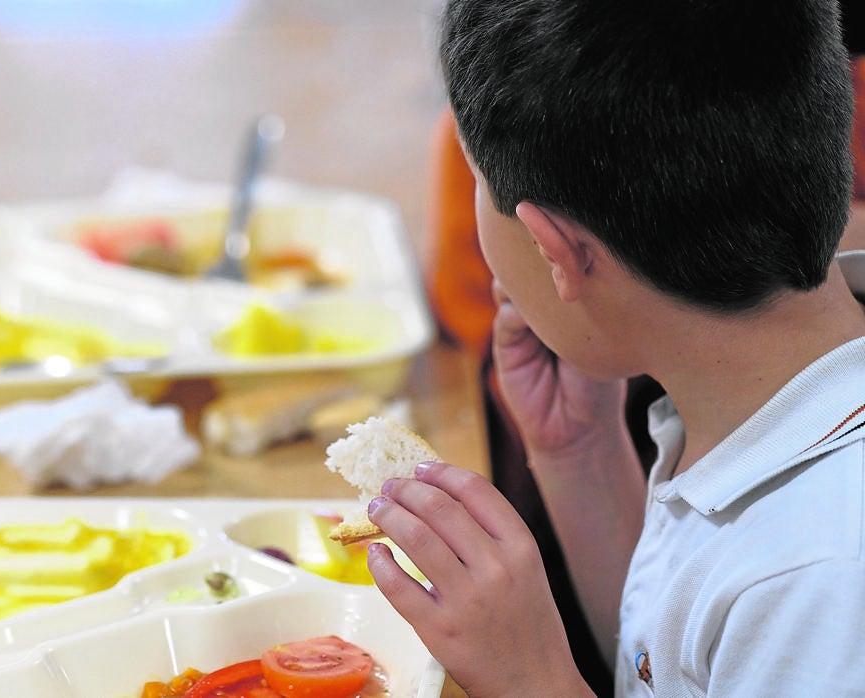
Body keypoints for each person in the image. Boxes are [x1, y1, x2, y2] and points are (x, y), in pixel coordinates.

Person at [370, 0, 865, 695]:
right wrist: (582, 455)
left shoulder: (824, 575)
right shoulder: (752, 402)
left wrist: (532, 678)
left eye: (478, 183)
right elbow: (674, 666)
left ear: (558, 252)